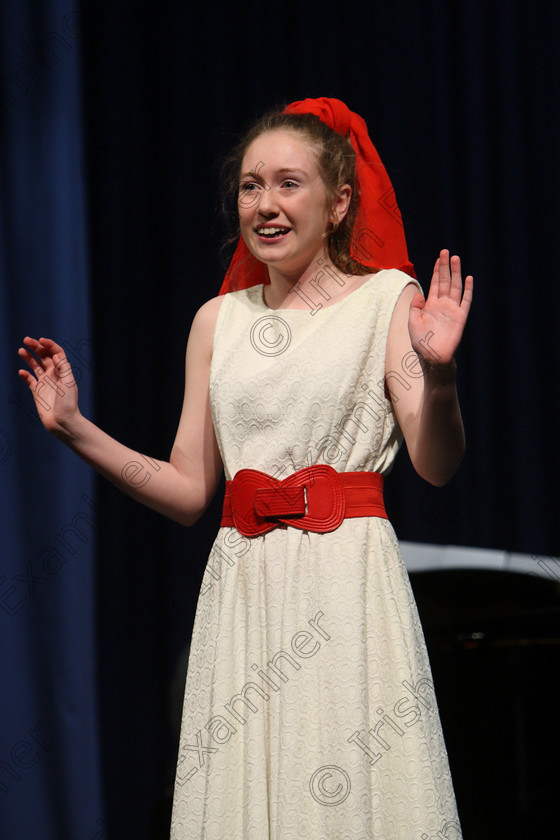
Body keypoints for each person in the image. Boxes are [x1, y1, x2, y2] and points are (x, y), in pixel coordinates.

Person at [18, 97, 472, 839]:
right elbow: (190, 489)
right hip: (244, 595)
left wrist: (443, 377)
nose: (265, 203)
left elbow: (436, 464)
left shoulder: (388, 300)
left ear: (338, 203)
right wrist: (73, 427)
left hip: (346, 587)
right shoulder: (216, 321)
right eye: (251, 185)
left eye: (289, 183)